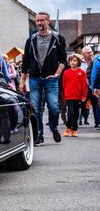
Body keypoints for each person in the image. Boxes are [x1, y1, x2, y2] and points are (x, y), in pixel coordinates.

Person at [20, 11, 67, 146]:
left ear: (48, 21)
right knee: (36, 108)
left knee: (54, 107)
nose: (39, 23)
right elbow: (26, 62)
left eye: (42, 20)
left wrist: (57, 74)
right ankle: (39, 134)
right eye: (38, 21)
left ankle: (53, 127)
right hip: (34, 78)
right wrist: (22, 81)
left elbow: (63, 60)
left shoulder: (58, 38)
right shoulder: (31, 39)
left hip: (51, 78)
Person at [62, 54, 88, 137]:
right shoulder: (66, 72)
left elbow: (84, 85)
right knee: (70, 112)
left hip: (78, 96)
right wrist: (65, 94)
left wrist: (84, 95)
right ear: (68, 62)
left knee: (76, 113)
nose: (72, 62)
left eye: (74, 60)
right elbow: (64, 84)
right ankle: (68, 127)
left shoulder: (82, 73)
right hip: (69, 96)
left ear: (78, 62)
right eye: (71, 61)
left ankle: (74, 129)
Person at [79, 46, 94, 125]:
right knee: (82, 103)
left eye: (91, 52)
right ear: (84, 54)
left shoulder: (94, 62)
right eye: (88, 52)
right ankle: (80, 119)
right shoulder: (80, 62)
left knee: (89, 104)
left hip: (91, 86)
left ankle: (86, 119)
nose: (91, 54)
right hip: (82, 86)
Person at [90, 52, 100, 128]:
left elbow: (95, 75)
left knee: (98, 105)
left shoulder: (97, 60)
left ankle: (98, 122)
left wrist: (94, 87)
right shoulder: (97, 60)